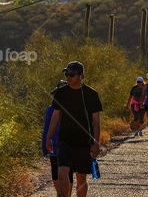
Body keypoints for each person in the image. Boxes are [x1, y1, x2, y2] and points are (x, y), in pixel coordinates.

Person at [45, 61, 103, 197]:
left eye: (72, 75)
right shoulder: (61, 93)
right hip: (65, 141)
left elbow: (96, 121)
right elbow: (55, 116)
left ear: (81, 75)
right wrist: (48, 138)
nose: (68, 77)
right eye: (67, 74)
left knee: (81, 178)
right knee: (62, 172)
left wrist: (96, 142)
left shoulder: (91, 94)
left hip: (83, 142)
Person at [42, 80, 74, 197]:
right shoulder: (51, 109)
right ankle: (60, 194)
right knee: (55, 173)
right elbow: (46, 128)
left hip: (68, 145)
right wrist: (45, 145)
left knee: (68, 172)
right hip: (54, 146)